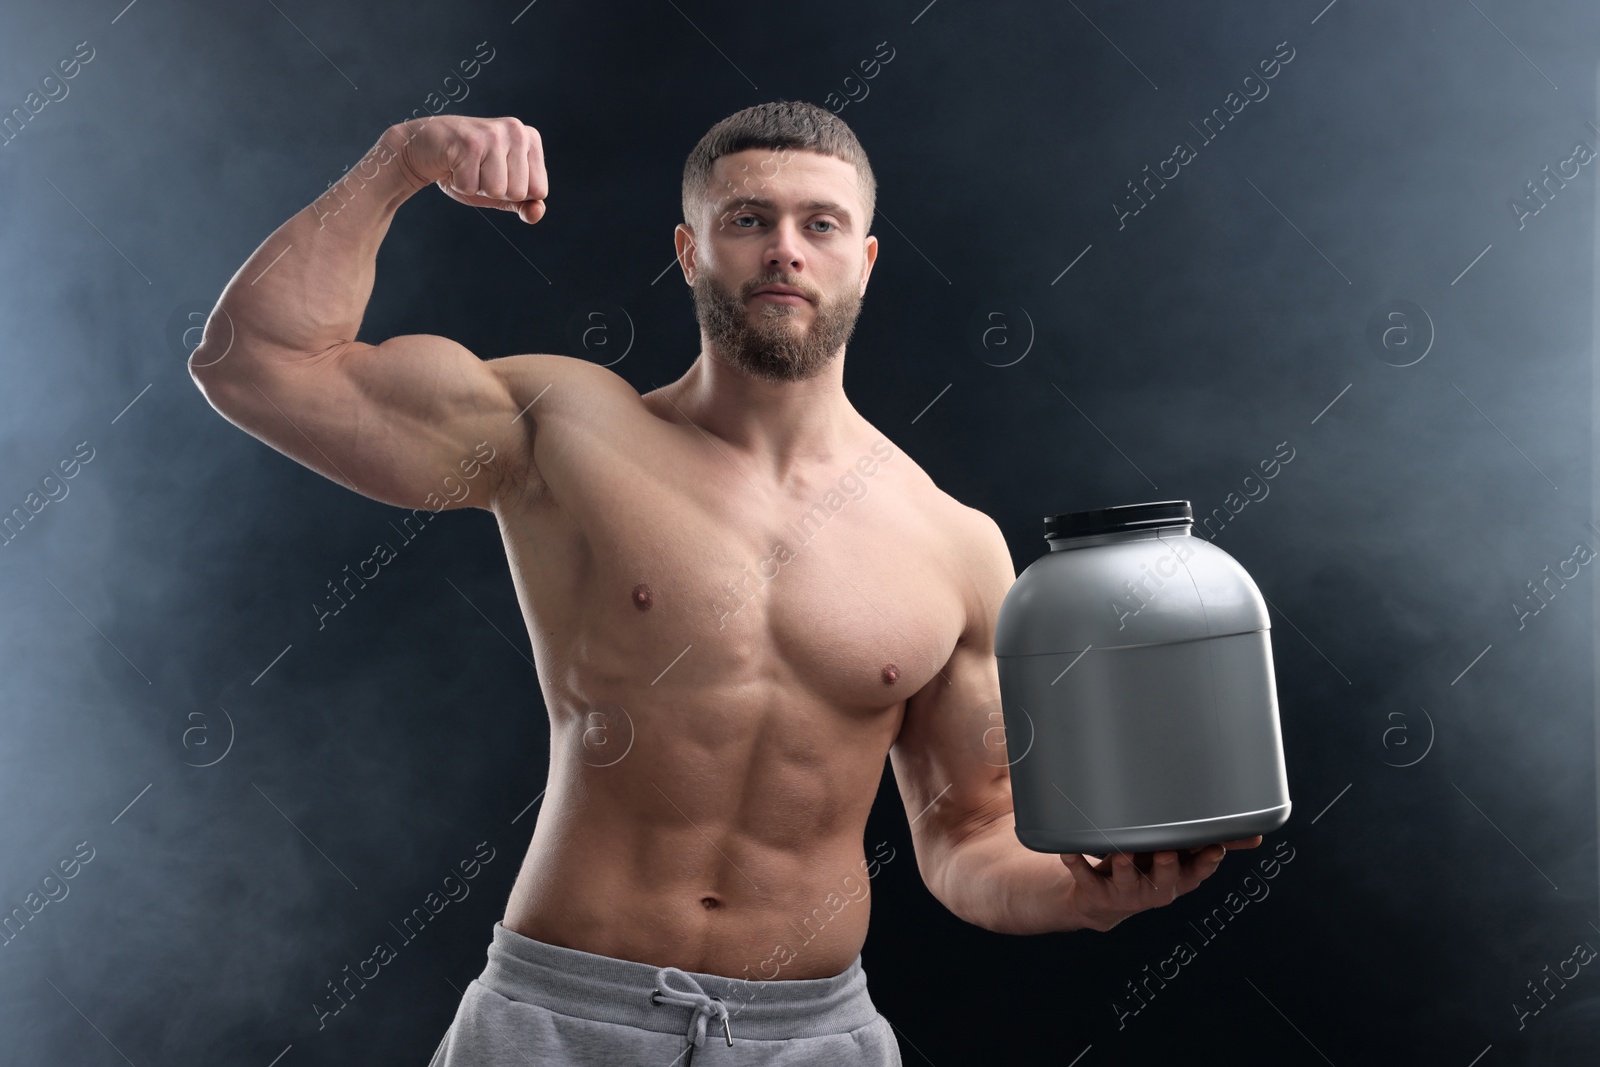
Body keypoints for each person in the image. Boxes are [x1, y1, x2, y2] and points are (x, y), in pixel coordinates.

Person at [188, 99, 1260, 1066]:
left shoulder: (955, 542)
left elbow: (969, 836)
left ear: (866, 259)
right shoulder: (563, 428)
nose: (783, 250)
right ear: (689, 250)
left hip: (814, 1037)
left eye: (819, 224)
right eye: (747, 219)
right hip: (565, 1022)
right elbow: (256, 362)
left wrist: (1083, 893)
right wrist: (400, 160)